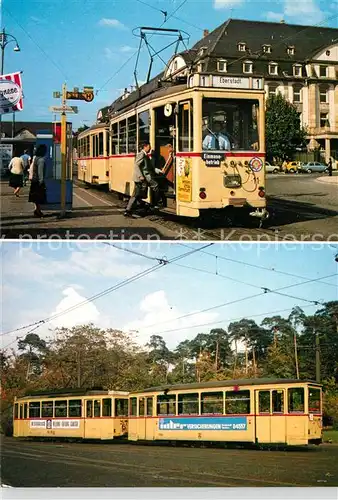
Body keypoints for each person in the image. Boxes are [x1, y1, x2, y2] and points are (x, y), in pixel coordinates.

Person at [124, 141, 160, 217]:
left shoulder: (145, 155)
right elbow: (136, 165)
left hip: (144, 178)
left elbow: (149, 167)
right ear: (145, 146)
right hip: (140, 178)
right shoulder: (141, 154)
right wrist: (140, 176)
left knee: (138, 194)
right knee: (137, 194)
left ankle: (131, 209)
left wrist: (159, 171)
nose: (150, 148)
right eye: (149, 146)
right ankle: (128, 210)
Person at [28, 144, 47, 218]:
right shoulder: (41, 160)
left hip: (34, 180)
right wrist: (41, 181)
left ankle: (37, 210)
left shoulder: (35, 158)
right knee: (39, 197)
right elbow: (40, 172)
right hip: (38, 181)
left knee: (36, 198)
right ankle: (38, 211)